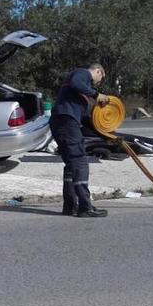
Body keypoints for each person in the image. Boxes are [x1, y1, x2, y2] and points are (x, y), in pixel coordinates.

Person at [50, 63, 110, 218]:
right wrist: (96, 94)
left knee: (71, 165)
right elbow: (78, 83)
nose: (95, 83)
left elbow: (86, 119)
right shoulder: (82, 74)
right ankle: (85, 207)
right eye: (99, 79)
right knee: (80, 162)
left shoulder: (76, 95)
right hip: (66, 123)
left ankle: (70, 206)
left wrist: (108, 135)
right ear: (97, 71)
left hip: (62, 123)